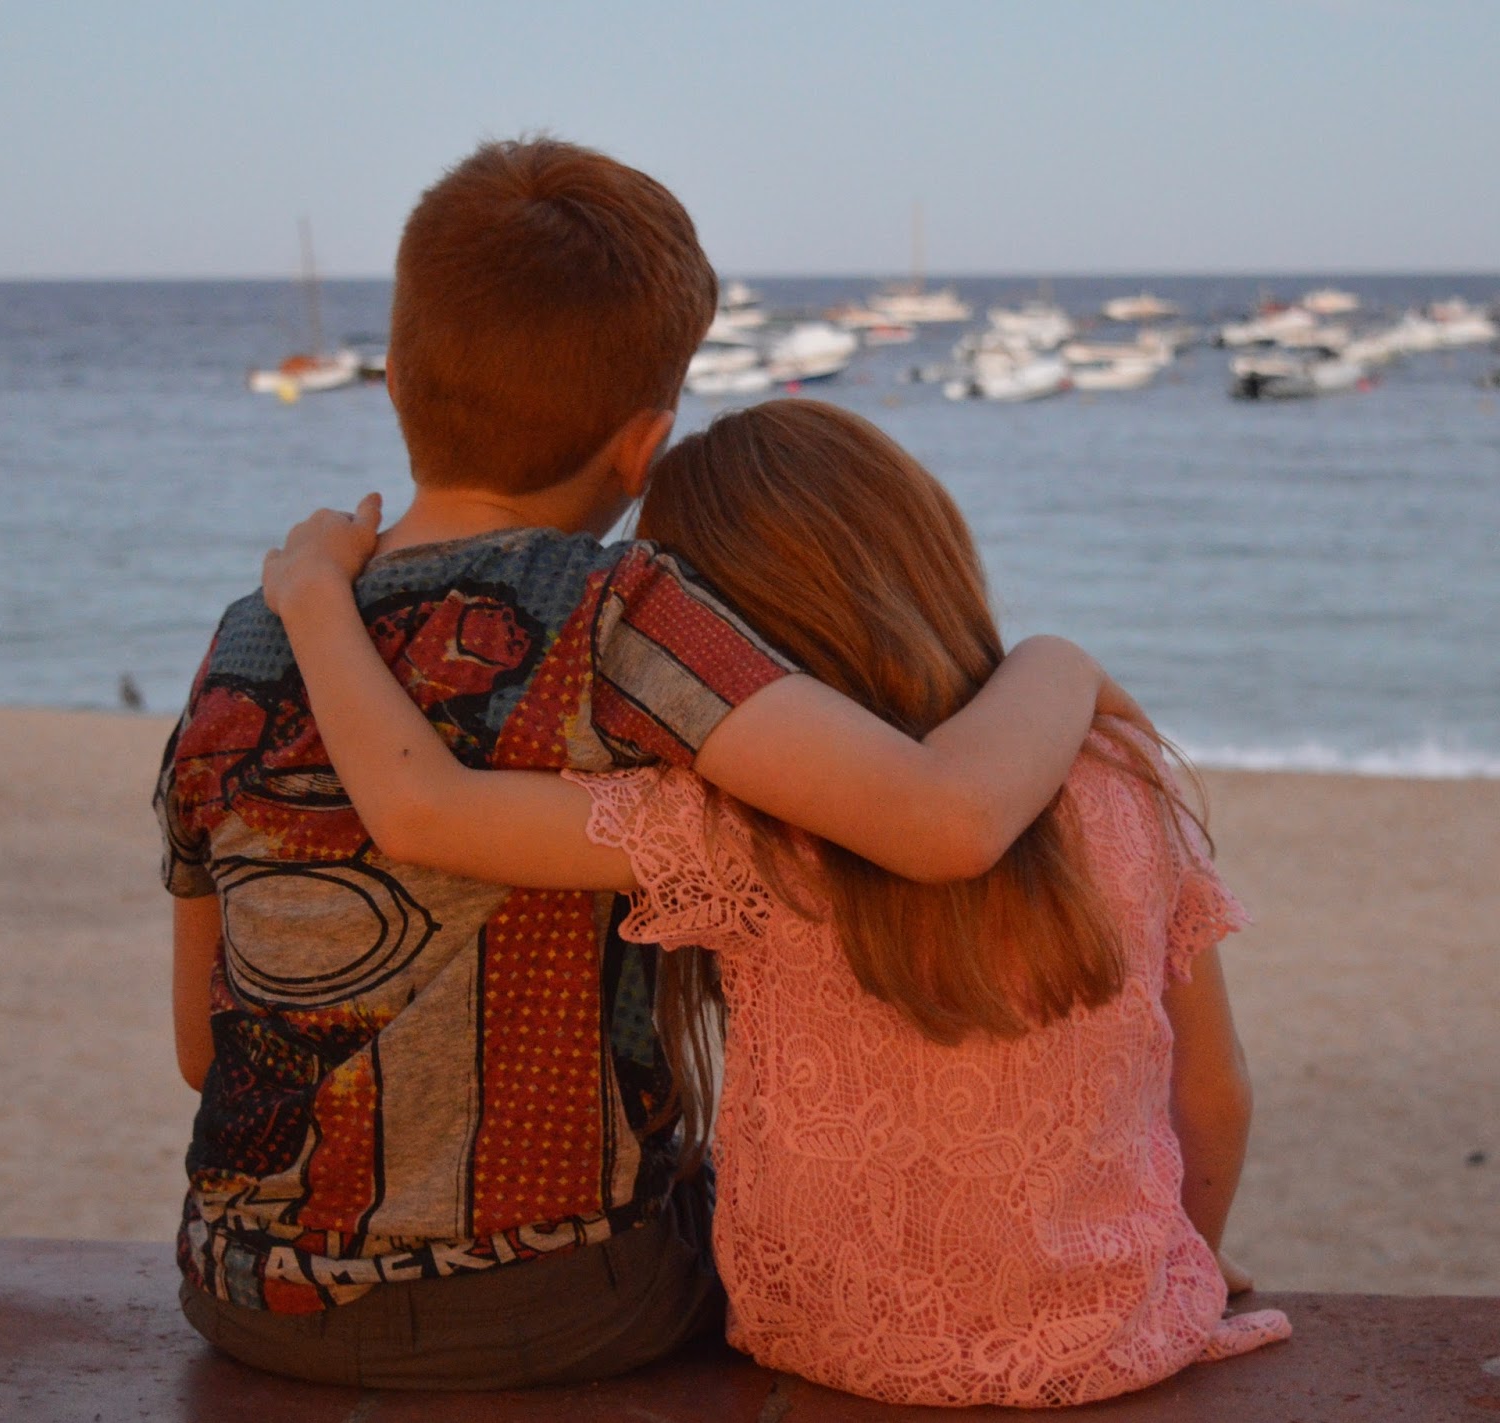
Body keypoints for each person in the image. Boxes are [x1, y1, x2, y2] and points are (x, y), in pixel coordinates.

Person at [155, 140, 1128, 1389]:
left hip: (244, 1293)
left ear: (395, 382)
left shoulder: (249, 641)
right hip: (558, 1297)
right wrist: (1058, 661)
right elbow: (939, 820)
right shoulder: (620, 613)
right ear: (645, 445)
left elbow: (206, 1050)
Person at [260, 398, 1292, 1409]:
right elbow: (1215, 1092)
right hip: (1112, 1337)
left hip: (832, 1341)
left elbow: (422, 810)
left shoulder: (734, 829)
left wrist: (314, 600)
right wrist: (1185, 1261)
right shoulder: (1118, 781)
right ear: (927, 547)